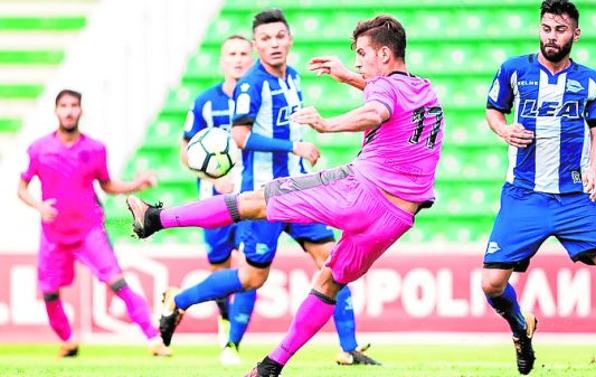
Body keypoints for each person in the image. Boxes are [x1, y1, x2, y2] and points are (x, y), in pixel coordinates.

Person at [127, 14, 443, 377]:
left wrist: (328, 125)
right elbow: (387, 98)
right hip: (398, 218)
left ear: (384, 54)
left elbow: (377, 109)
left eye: (361, 53)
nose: (357, 61)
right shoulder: (425, 89)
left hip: (359, 192)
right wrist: (349, 78)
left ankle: (155, 219)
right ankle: (271, 366)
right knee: (326, 280)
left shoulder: (346, 86)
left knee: (252, 207)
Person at [159, 9, 378, 367]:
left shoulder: (292, 77)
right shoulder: (250, 84)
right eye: (265, 39)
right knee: (252, 277)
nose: (274, 44)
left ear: (289, 38)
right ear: (257, 45)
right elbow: (241, 136)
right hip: (263, 197)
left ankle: (349, 348)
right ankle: (179, 301)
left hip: (301, 191)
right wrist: (294, 147)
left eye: (279, 37)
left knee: (334, 263)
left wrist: (302, 140)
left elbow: (286, 126)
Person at [481, 0, 596, 374]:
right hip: (524, 195)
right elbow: (494, 109)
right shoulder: (514, 70)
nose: (551, 36)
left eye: (560, 30)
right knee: (492, 285)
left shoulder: (592, 80)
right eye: (546, 28)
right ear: (539, 29)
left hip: (575, 198)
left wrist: (594, 169)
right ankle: (520, 326)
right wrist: (503, 129)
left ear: (575, 34)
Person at [18, 89, 170, 357]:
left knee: (118, 282)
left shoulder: (95, 149)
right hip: (53, 234)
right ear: (56, 111)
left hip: (88, 230)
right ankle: (67, 340)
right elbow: (22, 188)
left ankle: (153, 338)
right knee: (50, 293)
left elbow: (107, 185)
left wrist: (136, 184)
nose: (69, 110)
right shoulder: (39, 149)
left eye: (74, 105)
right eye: (63, 105)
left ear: (81, 110)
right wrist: (38, 206)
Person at [178, 34, 254, 365]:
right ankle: (224, 323)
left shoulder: (258, 97)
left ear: (251, 59)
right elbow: (186, 151)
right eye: (231, 54)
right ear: (222, 61)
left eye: (243, 54)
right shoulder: (205, 102)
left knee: (252, 267)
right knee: (219, 267)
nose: (238, 59)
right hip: (214, 201)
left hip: (253, 197)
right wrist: (214, 177)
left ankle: (233, 343)